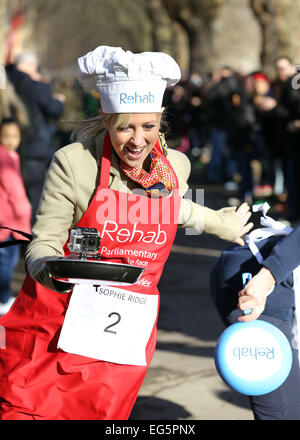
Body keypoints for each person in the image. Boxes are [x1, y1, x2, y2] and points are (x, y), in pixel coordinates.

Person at [0, 46, 253, 420]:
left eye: (148, 127)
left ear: (161, 119)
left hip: (124, 334)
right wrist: (49, 269)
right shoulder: (74, 162)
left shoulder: (175, 169)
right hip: (58, 321)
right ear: (105, 119)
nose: (137, 141)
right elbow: (44, 240)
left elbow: (172, 209)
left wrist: (220, 223)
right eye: (125, 128)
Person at [6, 51, 65, 224]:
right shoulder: (34, 85)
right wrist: (58, 100)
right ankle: (28, 241)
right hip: (33, 149)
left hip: (9, 145)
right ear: (32, 66)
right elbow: (53, 109)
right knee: (34, 196)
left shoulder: (6, 80)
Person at [0, 118, 31, 316]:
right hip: (8, 220)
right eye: (6, 136)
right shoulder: (5, 157)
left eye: (15, 136)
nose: (11, 140)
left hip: (8, 218)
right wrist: (24, 208)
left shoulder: (11, 155)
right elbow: (14, 188)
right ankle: (2, 297)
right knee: (6, 261)